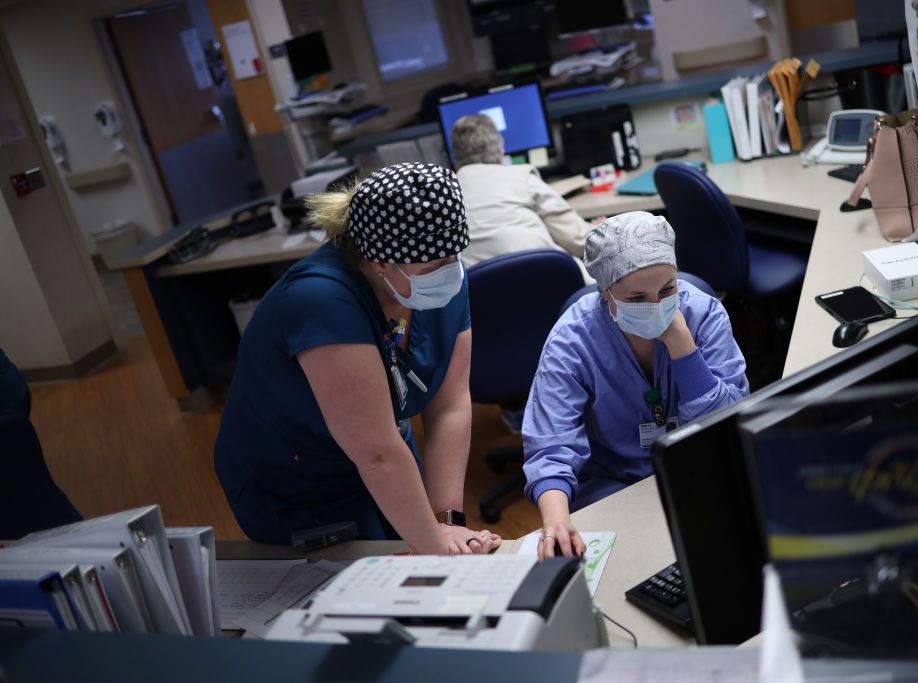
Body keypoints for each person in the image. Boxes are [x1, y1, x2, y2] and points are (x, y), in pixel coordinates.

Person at [215, 162, 501, 555]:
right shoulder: (320, 300)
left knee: (415, 552)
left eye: (455, 256)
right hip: (300, 480)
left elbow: (449, 404)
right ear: (379, 261)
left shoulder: (440, 279)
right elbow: (376, 454)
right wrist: (440, 554)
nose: (451, 273)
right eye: (434, 266)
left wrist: (446, 521)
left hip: (385, 457)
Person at [522, 212, 749, 559]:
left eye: (667, 290)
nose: (657, 306)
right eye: (637, 298)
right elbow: (550, 443)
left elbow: (727, 425)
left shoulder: (703, 313)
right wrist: (556, 520)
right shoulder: (572, 339)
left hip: (697, 470)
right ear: (606, 292)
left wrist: (682, 345)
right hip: (614, 485)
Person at [450, 114, 602, 281]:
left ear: (456, 156)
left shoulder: (446, 193)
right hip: (552, 283)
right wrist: (600, 229)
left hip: (486, 299)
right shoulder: (521, 176)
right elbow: (577, 239)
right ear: (501, 149)